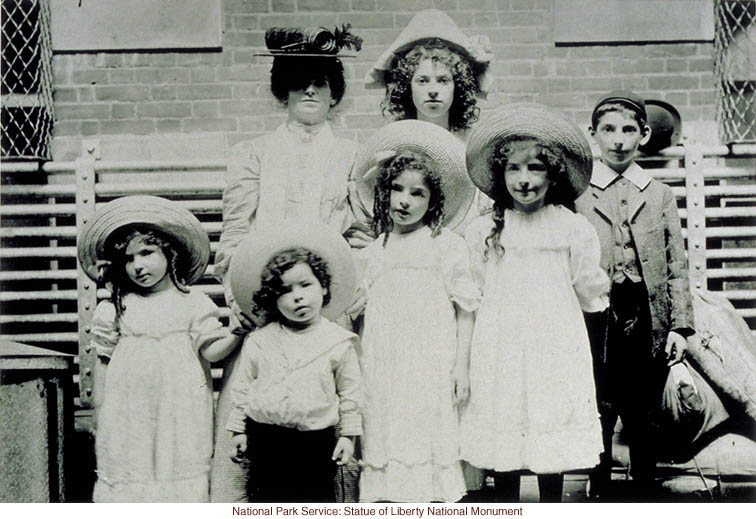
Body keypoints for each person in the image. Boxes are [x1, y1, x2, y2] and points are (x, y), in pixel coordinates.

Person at [211, 24, 364, 502]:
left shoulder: (352, 156)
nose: (311, 90)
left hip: (327, 310)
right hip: (264, 307)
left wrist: (345, 299)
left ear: (335, 91)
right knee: (257, 428)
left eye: (321, 80)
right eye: (299, 80)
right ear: (283, 89)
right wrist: (240, 299)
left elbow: (359, 235)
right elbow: (234, 237)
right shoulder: (253, 154)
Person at [460, 104, 610, 502]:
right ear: (500, 174)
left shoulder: (571, 228)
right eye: (513, 169)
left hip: (554, 346)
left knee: (549, 430)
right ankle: (505, 505)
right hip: (500, 345)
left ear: (553, 174)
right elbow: (473, 294)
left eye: (535, 169)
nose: (524, 180)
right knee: (504, 426)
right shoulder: (485, 232)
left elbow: (590, 293)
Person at [77, 195, 241, 502]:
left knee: (178, 467)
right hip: (128, 410)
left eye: (147, 252)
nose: (138, 265)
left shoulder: (193, 303)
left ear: (170, 253)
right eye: (128, 258)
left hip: (180, 407)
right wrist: (100, 410)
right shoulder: (116, 307)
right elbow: (104, 360)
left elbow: (211, 351)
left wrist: (237, 332)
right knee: (129, 467)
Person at [352, 120, 479, 502]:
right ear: (383, 193)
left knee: (428, 427)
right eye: (396, 189)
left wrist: (461, 365)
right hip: (383, 363)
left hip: (430, 362)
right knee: (384, 425)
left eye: (417, 193)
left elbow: (466, 309)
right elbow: (360, 319)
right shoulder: (373, 253)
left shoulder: (446, 247)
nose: (404, 201)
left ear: (433, 200)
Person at [576, 90, 694, 498]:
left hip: (647, 312)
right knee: (600, 402)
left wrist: (680, 326)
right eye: (608, 130)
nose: (619, 139)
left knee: (644, 408)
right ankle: (599, 486)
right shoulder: (579, 194)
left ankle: (645, 487)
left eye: (629, 129)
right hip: (597, 315)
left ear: (643, 135)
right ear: (594, 135)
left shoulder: (659, 194)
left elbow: (677, 264)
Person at [225, 222, 362, 502]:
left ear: (323, 287)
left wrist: (348, 437)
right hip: (265, 440)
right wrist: (238, 430)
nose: (298, 296)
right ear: (273, 299)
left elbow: (351, 394)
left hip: (315, 442)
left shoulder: (337, 342)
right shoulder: (260, 341)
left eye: (305, 284)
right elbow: (243, 390)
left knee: (315, 501)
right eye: (285, 290)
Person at [360, 9, 494, 236]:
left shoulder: (472, 146)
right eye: (422, 81)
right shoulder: (390, 144)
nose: (433, 90)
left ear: (457, 87)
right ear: (407, 87)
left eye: (443, 80)